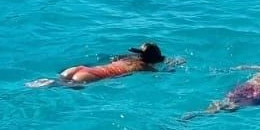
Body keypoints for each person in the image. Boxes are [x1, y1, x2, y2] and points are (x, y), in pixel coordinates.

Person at [28, 41, 172, 88]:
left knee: (63, 80)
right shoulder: (143, 67)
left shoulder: (127, 58)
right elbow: (161, 72)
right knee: (68, 86)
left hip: (82, 69)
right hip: (91, 76)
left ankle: (52, 81)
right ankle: (52, 83)